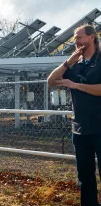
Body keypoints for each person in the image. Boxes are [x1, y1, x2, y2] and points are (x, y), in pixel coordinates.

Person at [47, 24, 101, 206]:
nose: (76, 42)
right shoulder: (75, 65)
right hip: (80, 129)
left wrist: (76, 85)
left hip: (100, 128)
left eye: (79, 38)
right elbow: (51, 80)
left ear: (92, 37)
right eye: (74, 39)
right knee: (85, 178)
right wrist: (68, 61)